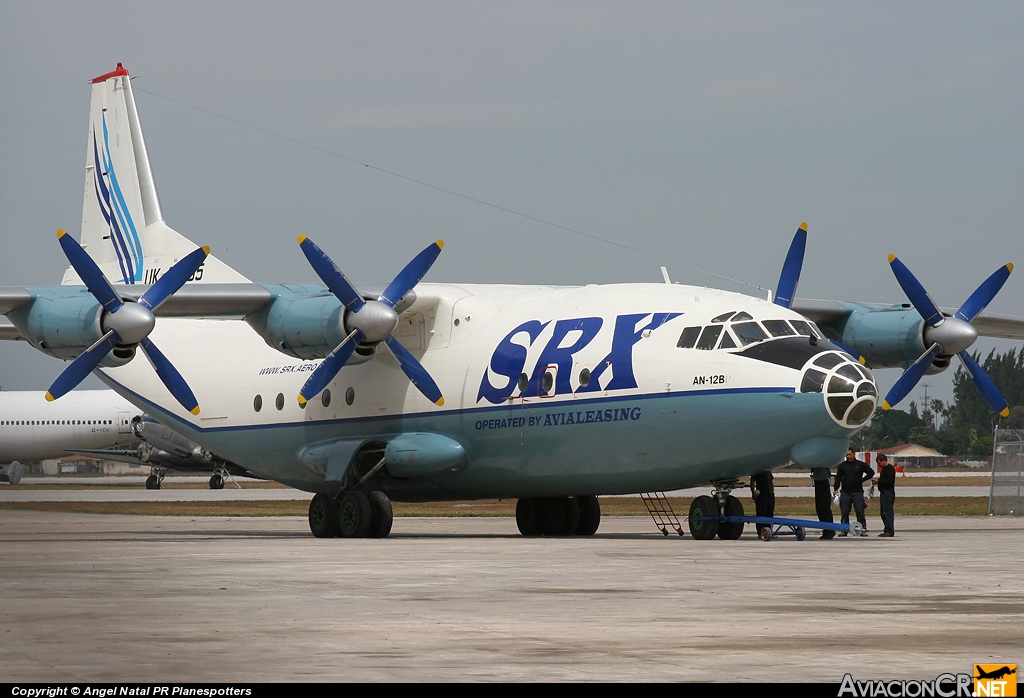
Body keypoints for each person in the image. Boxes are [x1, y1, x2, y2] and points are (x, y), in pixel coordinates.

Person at [833, 449, 874, 537]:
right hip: (845, 492)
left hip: (857, 492)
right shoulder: (842, 466)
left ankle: (862, 529)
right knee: (844, 512)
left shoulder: (860, 464)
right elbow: (838, 477)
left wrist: (863, 479)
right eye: (847, 455)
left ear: (854, 454)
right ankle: (844, 529)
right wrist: (835, 488)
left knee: (859, 511)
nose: (848, 456)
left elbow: (871, 472)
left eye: (849, 454)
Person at [873, 454, 896, 537]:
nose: (878, 465)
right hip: (884, 492)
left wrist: (878, 481)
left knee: (887, 512)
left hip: (888, 493)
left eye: (879, 463)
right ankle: (887, 529)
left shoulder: (889, 469)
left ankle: (889, 530)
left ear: (883, 461)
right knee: (883, 512)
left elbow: (889, 481)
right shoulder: (885, 470)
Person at [810, 466, 835, 539]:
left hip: (822, 481)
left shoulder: (822, 464)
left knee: (824, 508)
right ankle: (826, 529)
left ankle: (829, 529)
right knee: (820, 508)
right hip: (818, 481)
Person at [750, 470, 775, 534]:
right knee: (761, 513)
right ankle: (760, 531)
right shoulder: (757, 470)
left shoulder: (768, 470)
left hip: (769, 495)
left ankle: (768, 530)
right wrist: (753, 493)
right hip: (761, 495)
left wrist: (772, 491)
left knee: (770, 513)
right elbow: (752, 482)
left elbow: (771, 481)